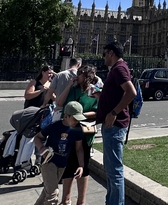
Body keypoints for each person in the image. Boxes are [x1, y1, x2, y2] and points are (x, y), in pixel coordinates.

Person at [96, 42, 136, 205]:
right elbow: (117, 93)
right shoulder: (118, 69)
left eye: (104, 53)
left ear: (111, 53)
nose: (103, 57)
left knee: (115, 171)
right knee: (111, 170)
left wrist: (113, 113)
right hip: (112, 125)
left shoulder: (119, 68)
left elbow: (131, 92)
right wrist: (101, 95)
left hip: (115, 124)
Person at [57, 65, 99, 205]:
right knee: (68, 165)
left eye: (80, 73)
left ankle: (81, 201)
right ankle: (66, 199)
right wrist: (69, 85)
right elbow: (59, 103)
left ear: (86, 76)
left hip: (85, 132)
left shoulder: (94, 92)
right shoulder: (73, 89)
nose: (77, 75)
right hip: (69, 131)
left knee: (83, 166)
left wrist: (79, 116)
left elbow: (98, 112)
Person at [33, 101, 85, 205]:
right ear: (66, 116)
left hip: (62, 164)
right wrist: (42, 148)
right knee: (53, 195)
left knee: (47, 192)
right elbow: (37, 138)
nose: (77, 121)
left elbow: (79, 149)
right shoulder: (54, 126)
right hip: (49, 162)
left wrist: (81, 166)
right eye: (75, 118)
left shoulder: (78, 130)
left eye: (79, 119)